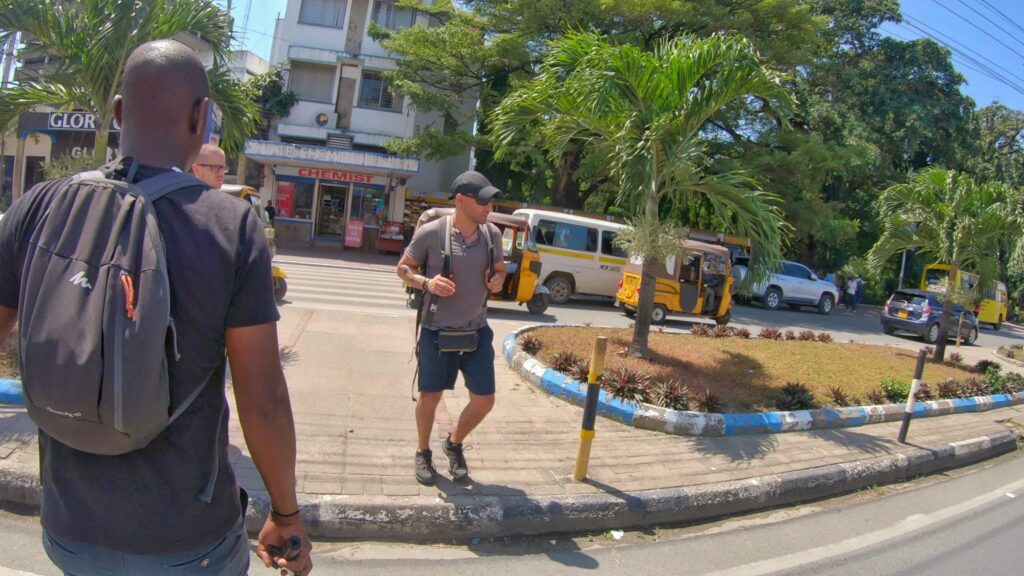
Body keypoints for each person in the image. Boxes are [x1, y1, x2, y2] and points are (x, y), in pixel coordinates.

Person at [0, 40, 312, 575]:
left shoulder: (38, 207)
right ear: (203, 116)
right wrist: (285, 514)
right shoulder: (229, 225)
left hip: (68, 528)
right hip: (187, 542)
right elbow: (262, 400)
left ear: (119, 112)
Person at [397, 170, 506, 486]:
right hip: (437, 333)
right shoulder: (431, 233)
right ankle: (422, 451)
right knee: (429, 398)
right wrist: (426, 282)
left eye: (492, 201)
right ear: (461, 201)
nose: (490, 208)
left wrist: (497, 279)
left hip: (476, 332)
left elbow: (499, 271)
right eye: (484, 202)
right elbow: (403, 268)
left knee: (484, 400)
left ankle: (454, 442)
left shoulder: (492, 235)